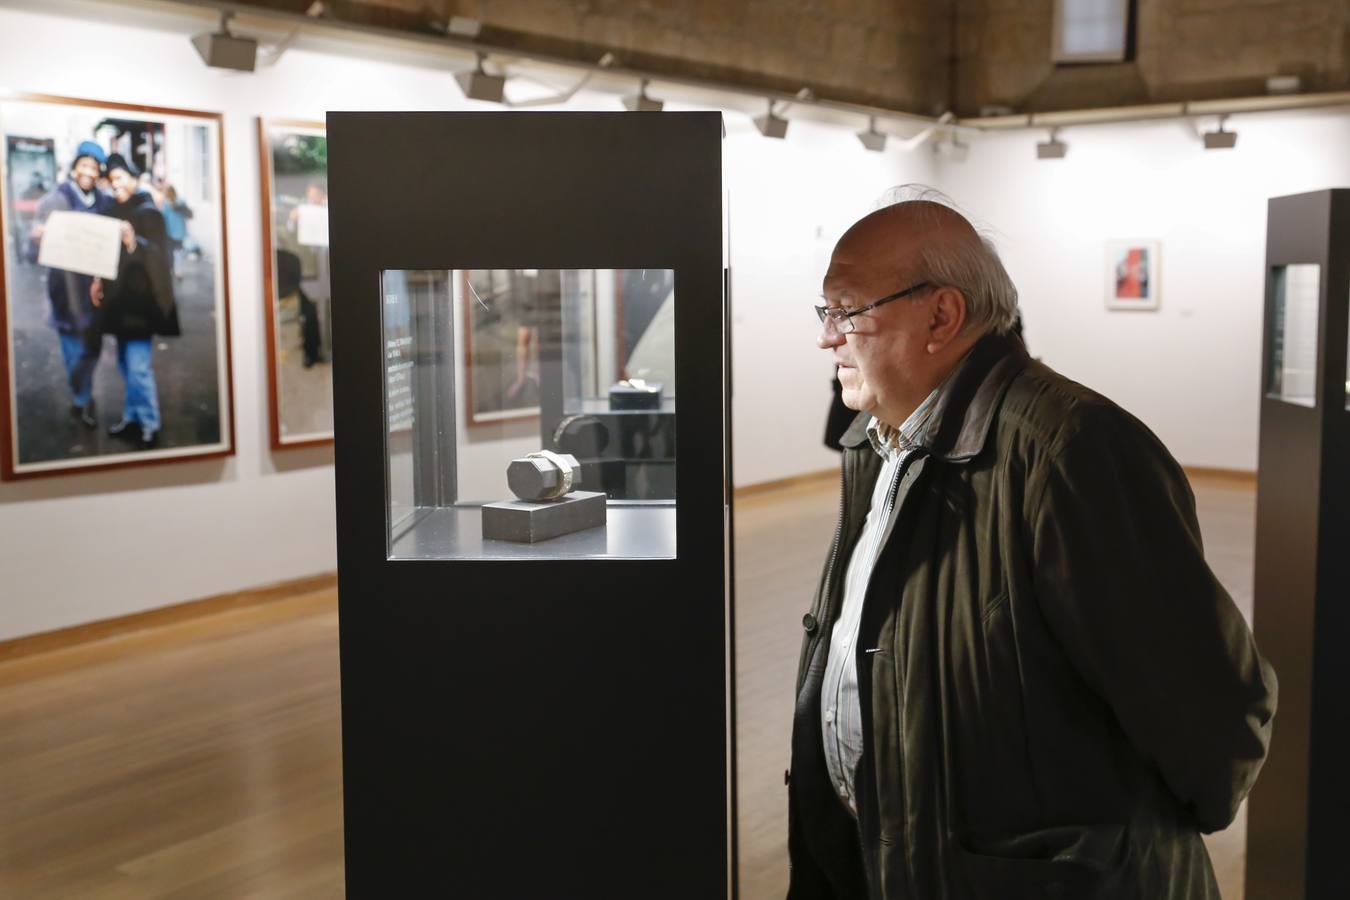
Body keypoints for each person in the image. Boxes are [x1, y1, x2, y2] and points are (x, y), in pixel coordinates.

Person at [788, 190, 1276, 900]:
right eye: (824, 312)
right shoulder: (880, 443)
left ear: (942, 315)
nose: (828, 336)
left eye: (847, 310)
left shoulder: (1071, 453)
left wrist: (1117, 849)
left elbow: (1209, 702)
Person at [24, 141, 114, 429]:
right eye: (83, 165)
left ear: (99, 171)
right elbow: (31, 252)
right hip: (65, 291)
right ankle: (82, 399)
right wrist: (36, 238)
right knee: (73, 348)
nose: (88, 171)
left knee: (93, 347)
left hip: (95, 291)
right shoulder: (55, 200)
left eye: (93, 166)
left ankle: (82, 391)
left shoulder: (104, 201)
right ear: (74, 167)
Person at [92, 153, 179, 449]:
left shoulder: (148, 211)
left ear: (131, 177)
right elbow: (102, 254)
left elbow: (161, 257)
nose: (115, 184)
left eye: (119, 178)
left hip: (141, 305)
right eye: (110, 179)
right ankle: (132, 418)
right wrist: (95, 280)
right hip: (118, 304)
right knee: (126, 365)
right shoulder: (111, 210)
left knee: (138, 366)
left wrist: (134, 243)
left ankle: (150, 424)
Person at [157, 183, 192, 280]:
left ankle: (171, 271)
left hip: (169, 232)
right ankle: (179, 272)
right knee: (178, 252)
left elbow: (162, 218)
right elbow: (188, 215)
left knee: (170, 252)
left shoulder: (165, 203)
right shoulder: (181, 201)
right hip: (180, 232)